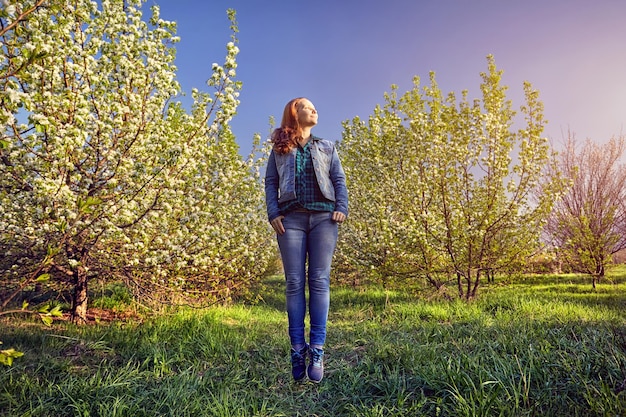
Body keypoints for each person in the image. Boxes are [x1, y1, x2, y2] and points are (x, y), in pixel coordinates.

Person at [264, 97, 348, 383]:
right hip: (291, 220)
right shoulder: (280, 148)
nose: (314, 109)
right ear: (294, 113)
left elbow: (338, 179)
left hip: (324, 218)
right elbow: (271, 182)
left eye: (315, 107)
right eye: (307, 107)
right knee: (295, 282)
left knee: (320, 280)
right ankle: (297, 349)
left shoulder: (326, 146)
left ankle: (318, 350)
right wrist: (273, 212)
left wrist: (342, 207)